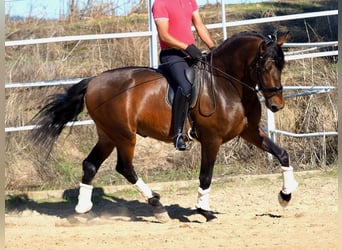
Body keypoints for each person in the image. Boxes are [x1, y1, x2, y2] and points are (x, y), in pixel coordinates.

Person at [152, 0, 215, 150]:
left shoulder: (190, 1)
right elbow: (164, 36)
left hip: (190, 53)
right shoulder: (160, 4)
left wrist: (213, 48)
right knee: (186, 86)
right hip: (172, 55)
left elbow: (199, 25)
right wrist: (187, 47)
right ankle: (178, 134)